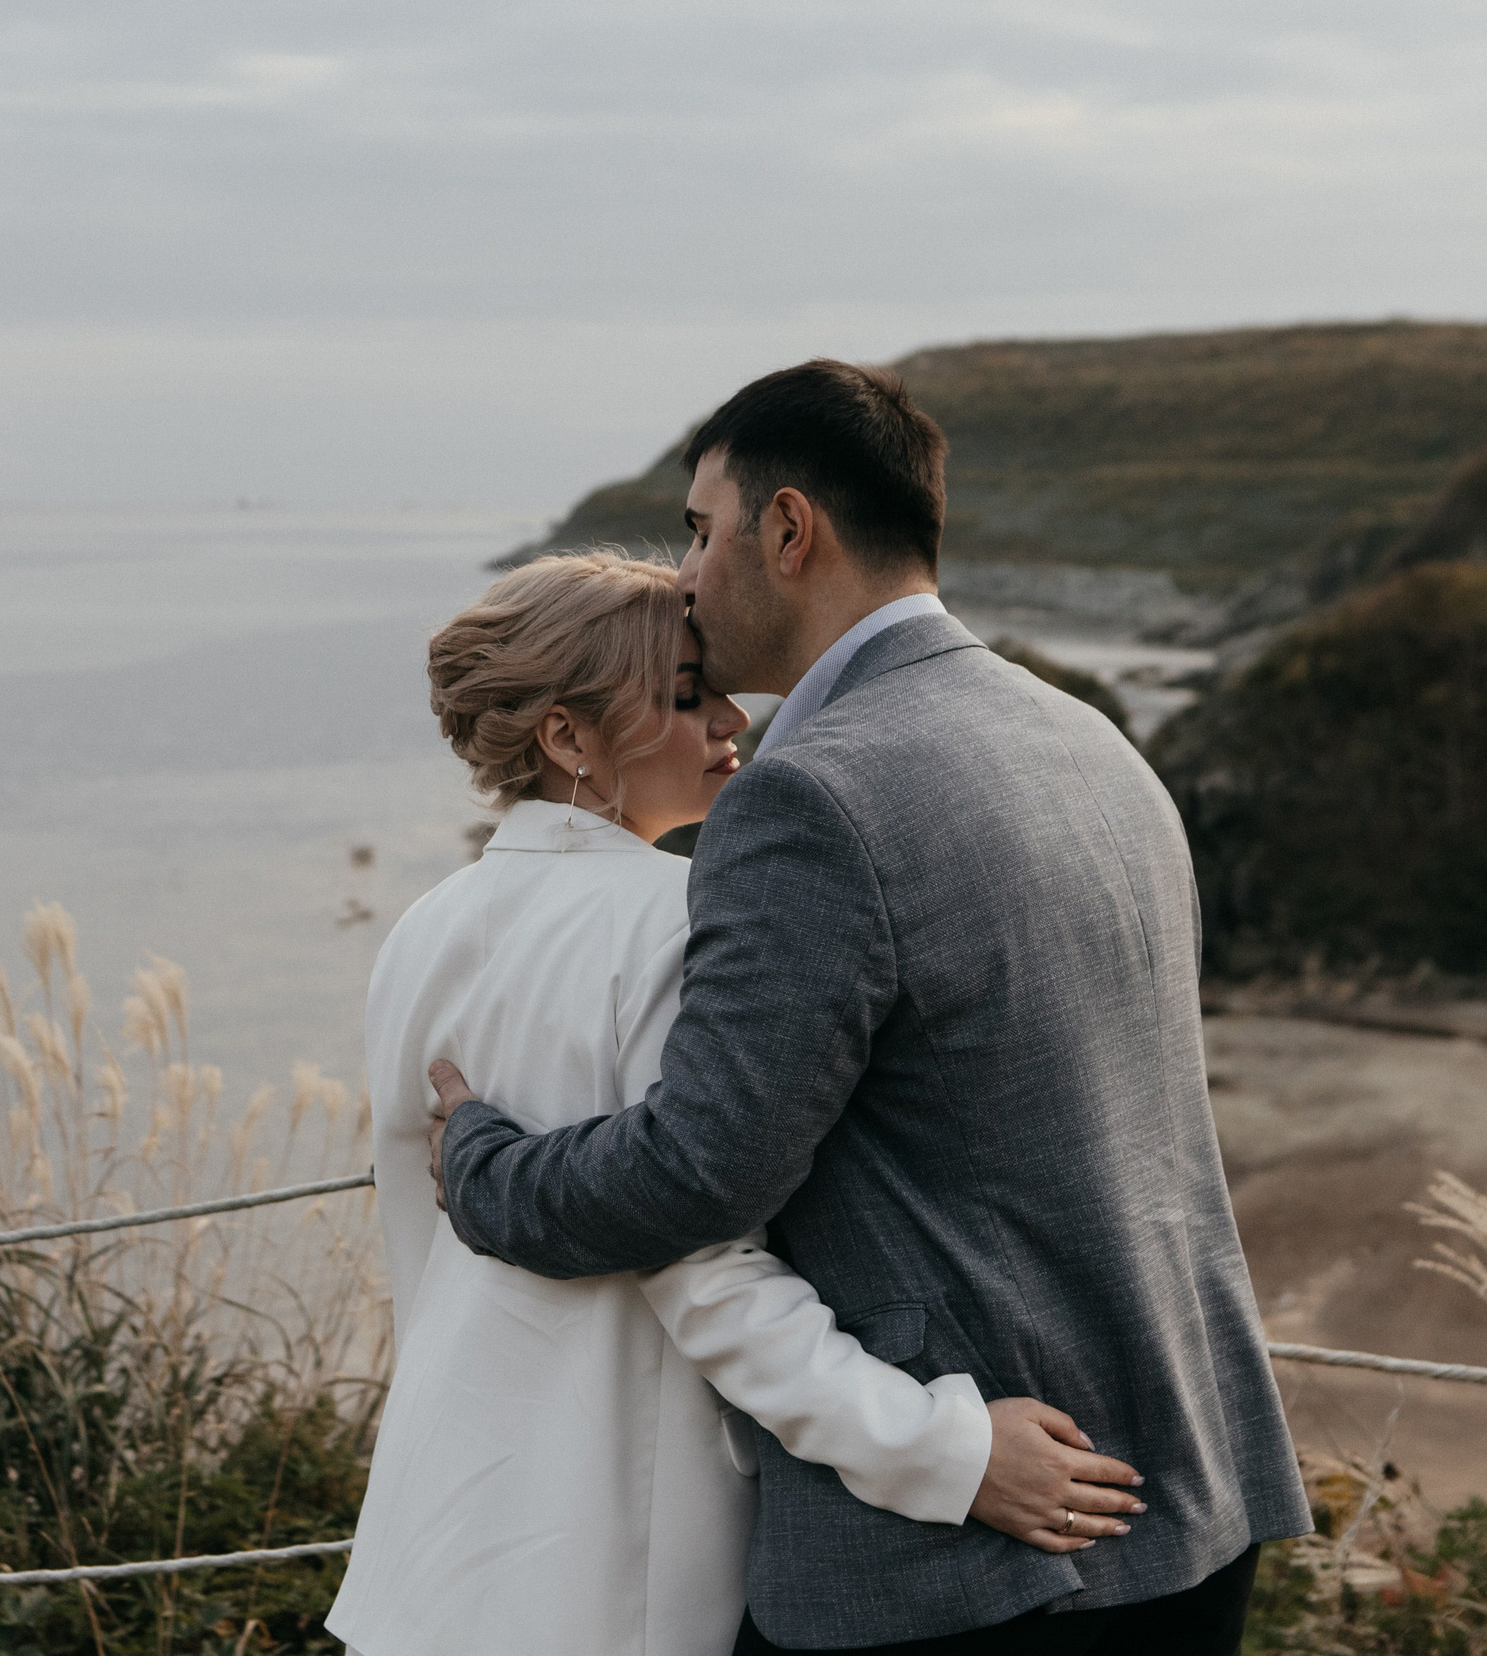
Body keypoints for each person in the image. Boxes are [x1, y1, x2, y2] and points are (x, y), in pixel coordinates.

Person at [427, 361, 1312, 1653]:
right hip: (1189, 1489)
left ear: (788, 532)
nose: (682, 573)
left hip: (976, 1559)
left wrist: (483, 1164)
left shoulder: (812, 798)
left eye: (698, 528)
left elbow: (695, 1173)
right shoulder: (1089, 742)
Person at [328, 552, 1145, 1656]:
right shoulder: (680, 916)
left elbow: (417, 1240)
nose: (731, 718)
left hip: (430, 1537)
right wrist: (944, 1450)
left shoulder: (421, 928)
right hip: (609, 1560)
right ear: (566, 738)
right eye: (680, 694)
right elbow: (703, 1268)